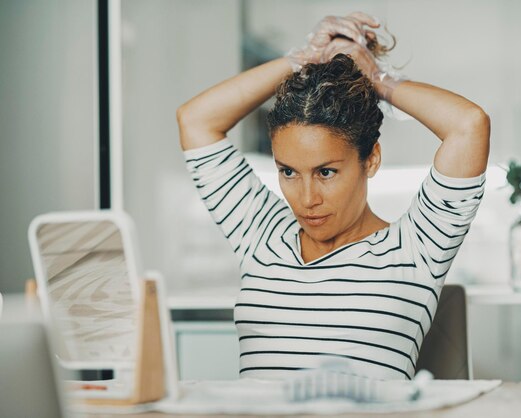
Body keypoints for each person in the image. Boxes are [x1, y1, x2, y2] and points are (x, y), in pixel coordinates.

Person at [176, 12, 490, 380]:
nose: (307, 199)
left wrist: (377, 78)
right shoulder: (261, 235)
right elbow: (195, 119)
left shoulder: (416, 248)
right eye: (288, 171)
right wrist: (304, 57)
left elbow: (469, 125)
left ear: (370, 159)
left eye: (326, 172)